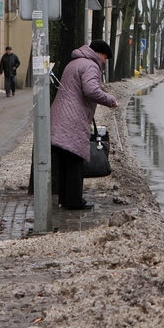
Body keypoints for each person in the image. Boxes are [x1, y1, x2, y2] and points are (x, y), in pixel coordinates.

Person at [50, 40, 119, 210]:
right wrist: (111, 100)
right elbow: (91, 90)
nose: (104, 61)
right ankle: (74, 201)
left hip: (61, 115)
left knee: (66, 160)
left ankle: (65, 199)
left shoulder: (74, 62)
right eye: (104, 57)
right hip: (73, 117)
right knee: (75, 159)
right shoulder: (90, 65)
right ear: (98, 53)